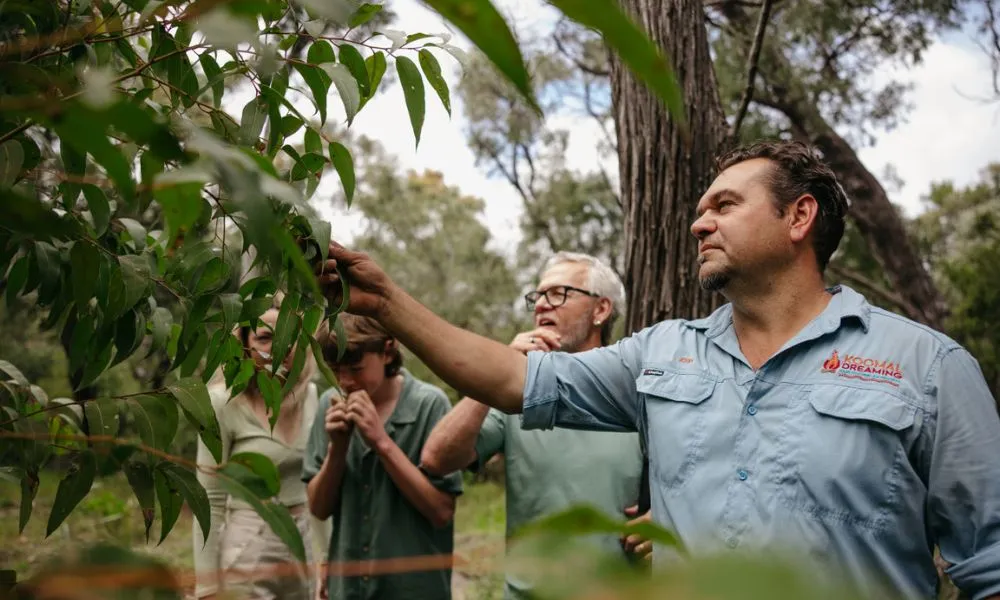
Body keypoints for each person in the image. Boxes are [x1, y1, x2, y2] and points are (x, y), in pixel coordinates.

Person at [316, 140, 1000, 599]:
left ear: (799, 217)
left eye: (724, 205)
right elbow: (517, 381)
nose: (699, 224)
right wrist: (389, 304)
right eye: (699, 211)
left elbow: (989, 567)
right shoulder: (662, 354)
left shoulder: (927, 368)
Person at [420, 251, 649, 599]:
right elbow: (438, 457)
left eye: (558, 294)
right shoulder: (517, 396)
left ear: (601, 310)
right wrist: (499, 373)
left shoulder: (638, 387)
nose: (541, 305)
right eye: (538, 296)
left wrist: (664, 514)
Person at [303, 313, 463, 600]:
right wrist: (336, 450)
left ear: (388, 351)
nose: (345, 381)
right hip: (349, 591)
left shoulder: (429, 404)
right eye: (335, 370)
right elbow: (318, 508)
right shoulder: (330, 404)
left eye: (355, 368)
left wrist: (380, 441)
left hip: (415, 591)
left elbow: (441, 512)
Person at [193, 306, 326, 600]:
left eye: (290, 336)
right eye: (266, 338)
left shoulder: (314, 397)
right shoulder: (221, 403)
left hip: (302, 541)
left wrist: (326, 558)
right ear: (243, 344)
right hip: (248, 544)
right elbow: (209, 499)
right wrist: (206, 587)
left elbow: (320, 486)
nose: (281, 348)